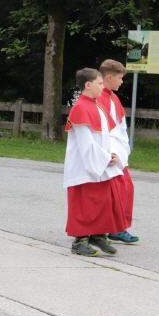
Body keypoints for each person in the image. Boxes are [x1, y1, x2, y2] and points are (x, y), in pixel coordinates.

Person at [64, 68, 127, 257]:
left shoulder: (97, 106)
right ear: (88, 85)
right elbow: (86, 143)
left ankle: (98, 235)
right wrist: (105, 158)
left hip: (101, 163)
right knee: (84, 204)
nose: (102, 87)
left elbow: (108, 136)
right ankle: (80, 241)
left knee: (102, 201)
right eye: (99, 84)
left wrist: (114, 154)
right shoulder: (80, 108)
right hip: (85, 166)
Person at [97, 59, 139, 244]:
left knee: (125, 189)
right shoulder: (100, 97)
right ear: (109, 77)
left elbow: (120, 126)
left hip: (119, 151)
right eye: (120, 78)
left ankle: (117, 227)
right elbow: (103, 130)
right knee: (114, 191)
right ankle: (114, 228)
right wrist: (108, 153)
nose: (122, 82)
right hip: (111, 152)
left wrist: (124, 149)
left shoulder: (113, 97)